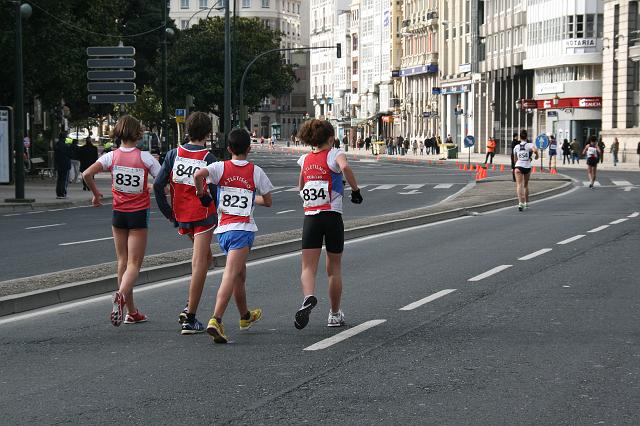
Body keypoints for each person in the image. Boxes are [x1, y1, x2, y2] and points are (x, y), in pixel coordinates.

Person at [193, 129, 274, 344]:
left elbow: (198, 175)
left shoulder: (219, 167)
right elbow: (268, 201)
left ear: (229, 149)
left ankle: (245, 316)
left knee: (239, 275)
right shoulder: (255, 171)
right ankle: (216, 319)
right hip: (242, 230)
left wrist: (201, 193)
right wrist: (249, 198)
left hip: (223, 232)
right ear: (249, 149)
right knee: (231, 273)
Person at [82, 115, 161, 326]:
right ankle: (120, 296)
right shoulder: (145, 158)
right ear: (138, 134)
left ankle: (132, 312)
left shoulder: (111, 157)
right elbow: (163, 181)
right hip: (138, 214)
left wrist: (96, 194)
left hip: (118, 213)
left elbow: (86, 174)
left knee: (122, 262)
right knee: (134, 264)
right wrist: (151, 187)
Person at [293, 119, 363, 330]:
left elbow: (301, 185)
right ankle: (334, 314)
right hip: (332, 216)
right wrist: (356, 190)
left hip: (311, 217)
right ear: (331, 138)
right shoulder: (335, 154)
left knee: (307, 266)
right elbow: (346, 167)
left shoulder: (304, 159)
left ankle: (308, 297)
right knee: (333, 268)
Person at [154, 112, 218, 334]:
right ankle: (190, 316)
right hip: (203, 215)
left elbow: (157, 186)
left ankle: (189, 306)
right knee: (200, 262)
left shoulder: (173, 154)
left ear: (188, 130)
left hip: (182, 215)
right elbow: (217, 191)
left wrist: (169, 213)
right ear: (208, 133)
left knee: (206, 258)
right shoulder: (208, 159)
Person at [513, 129, 539, 211]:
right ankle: (527, 203)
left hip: (518, 167)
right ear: (526, 137)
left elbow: (515, 159)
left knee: (519, 185)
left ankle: (520, 203)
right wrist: (536, 156)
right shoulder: (529, 145)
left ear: (520, 138)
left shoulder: (516, 147)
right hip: (527, 167)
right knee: (525, 185)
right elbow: (535, 150)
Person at [54, 133, 71, 199]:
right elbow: (70, 154)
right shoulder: (65, 146)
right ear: (64, 138)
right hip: (65, 164)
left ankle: (59, 193)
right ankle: (63, 193)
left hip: (59, 164)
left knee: (59, 179)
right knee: (64, 179)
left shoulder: (57, 145)